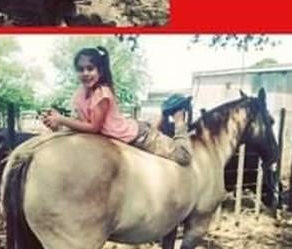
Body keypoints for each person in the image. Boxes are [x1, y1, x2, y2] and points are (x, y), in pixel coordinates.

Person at [42, 47, 192, 166]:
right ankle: (162, 116)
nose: (85, 73)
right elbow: (83, 125)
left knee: (183, 156)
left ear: (99, 71)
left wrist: (61, 119)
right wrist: (58, 126)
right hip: (125, 129)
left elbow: (94, 127)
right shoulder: (79, 95)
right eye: (81, 69)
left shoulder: (102, 93)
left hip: (139, 136)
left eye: (90, 68)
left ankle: (177, 116)